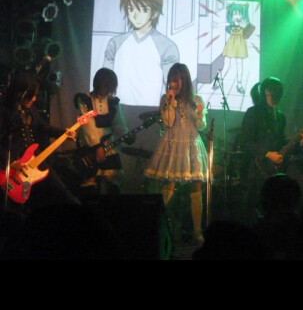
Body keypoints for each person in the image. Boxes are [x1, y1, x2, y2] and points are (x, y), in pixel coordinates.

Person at [144, 63, 209, 245]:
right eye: (171, 80)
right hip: (172, 145)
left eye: (176, 80)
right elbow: (169, 123)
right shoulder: (166, 99)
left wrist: (200, 114)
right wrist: (170, 103)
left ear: (184, 80)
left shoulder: (196, 99)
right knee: (169, 184)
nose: (173, 83)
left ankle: (197, 232)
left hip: (191, 145)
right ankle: (162, 229)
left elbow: (201, 127)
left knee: (196, 186)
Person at [0, 72, 81, 216]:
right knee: (19, 207)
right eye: (31, 96)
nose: (34, 99)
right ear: (19, 93)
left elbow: (44, 127)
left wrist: (64, 133)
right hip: (15, 168)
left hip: (35, 160)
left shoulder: (30, 110)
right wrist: (10, 162)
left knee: (61, 191)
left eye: (36, 95)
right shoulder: (4, 112)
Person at [238, 76, 303, 224]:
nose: (280, 94)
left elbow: (281, 143)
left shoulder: (280, 116)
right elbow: (244, 142)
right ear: (267, 91)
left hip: (279, 164)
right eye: (277, 90)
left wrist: (299, 142)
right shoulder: (253, 112)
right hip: (259, 166)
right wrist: (266, 153)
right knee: (257, 204)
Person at [103, 0, 180, 106]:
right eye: (131, 9)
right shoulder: (115, 43)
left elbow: (172, 87)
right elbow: (104, 81)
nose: (136, 15)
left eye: (143, 10)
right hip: (118, 109)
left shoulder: (167, 46)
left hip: (153, 110)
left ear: (154, 13)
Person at [73, 68, 132, 197]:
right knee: (91, 185)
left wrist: (127, 135)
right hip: (89, 146)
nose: (107, 89)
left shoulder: (112, 102)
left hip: (108, 145)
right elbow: (88, 126)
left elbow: (118, 123)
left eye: (109, 86)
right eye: (105, 85)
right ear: (98, 83)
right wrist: (97, 146)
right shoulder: (84, 100)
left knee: (111, 183)